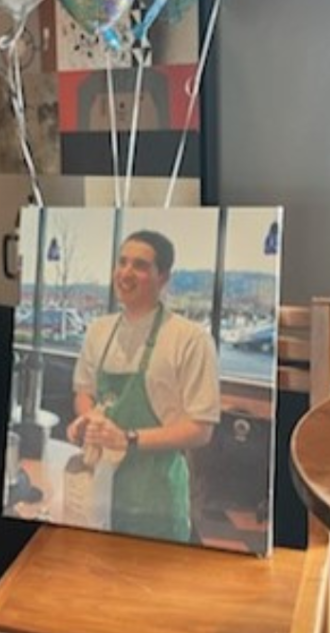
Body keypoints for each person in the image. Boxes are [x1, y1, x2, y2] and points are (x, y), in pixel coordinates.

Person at [67, 230, 219, 543]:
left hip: (156, 496)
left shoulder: (190, 338)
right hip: (101, 488)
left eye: (139, 265)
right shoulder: (99, 331)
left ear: (163, 277)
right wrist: (88, 420)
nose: (125, 272)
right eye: (121, 262)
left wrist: (127, 438)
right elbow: (85, 392)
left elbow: (201, 429)